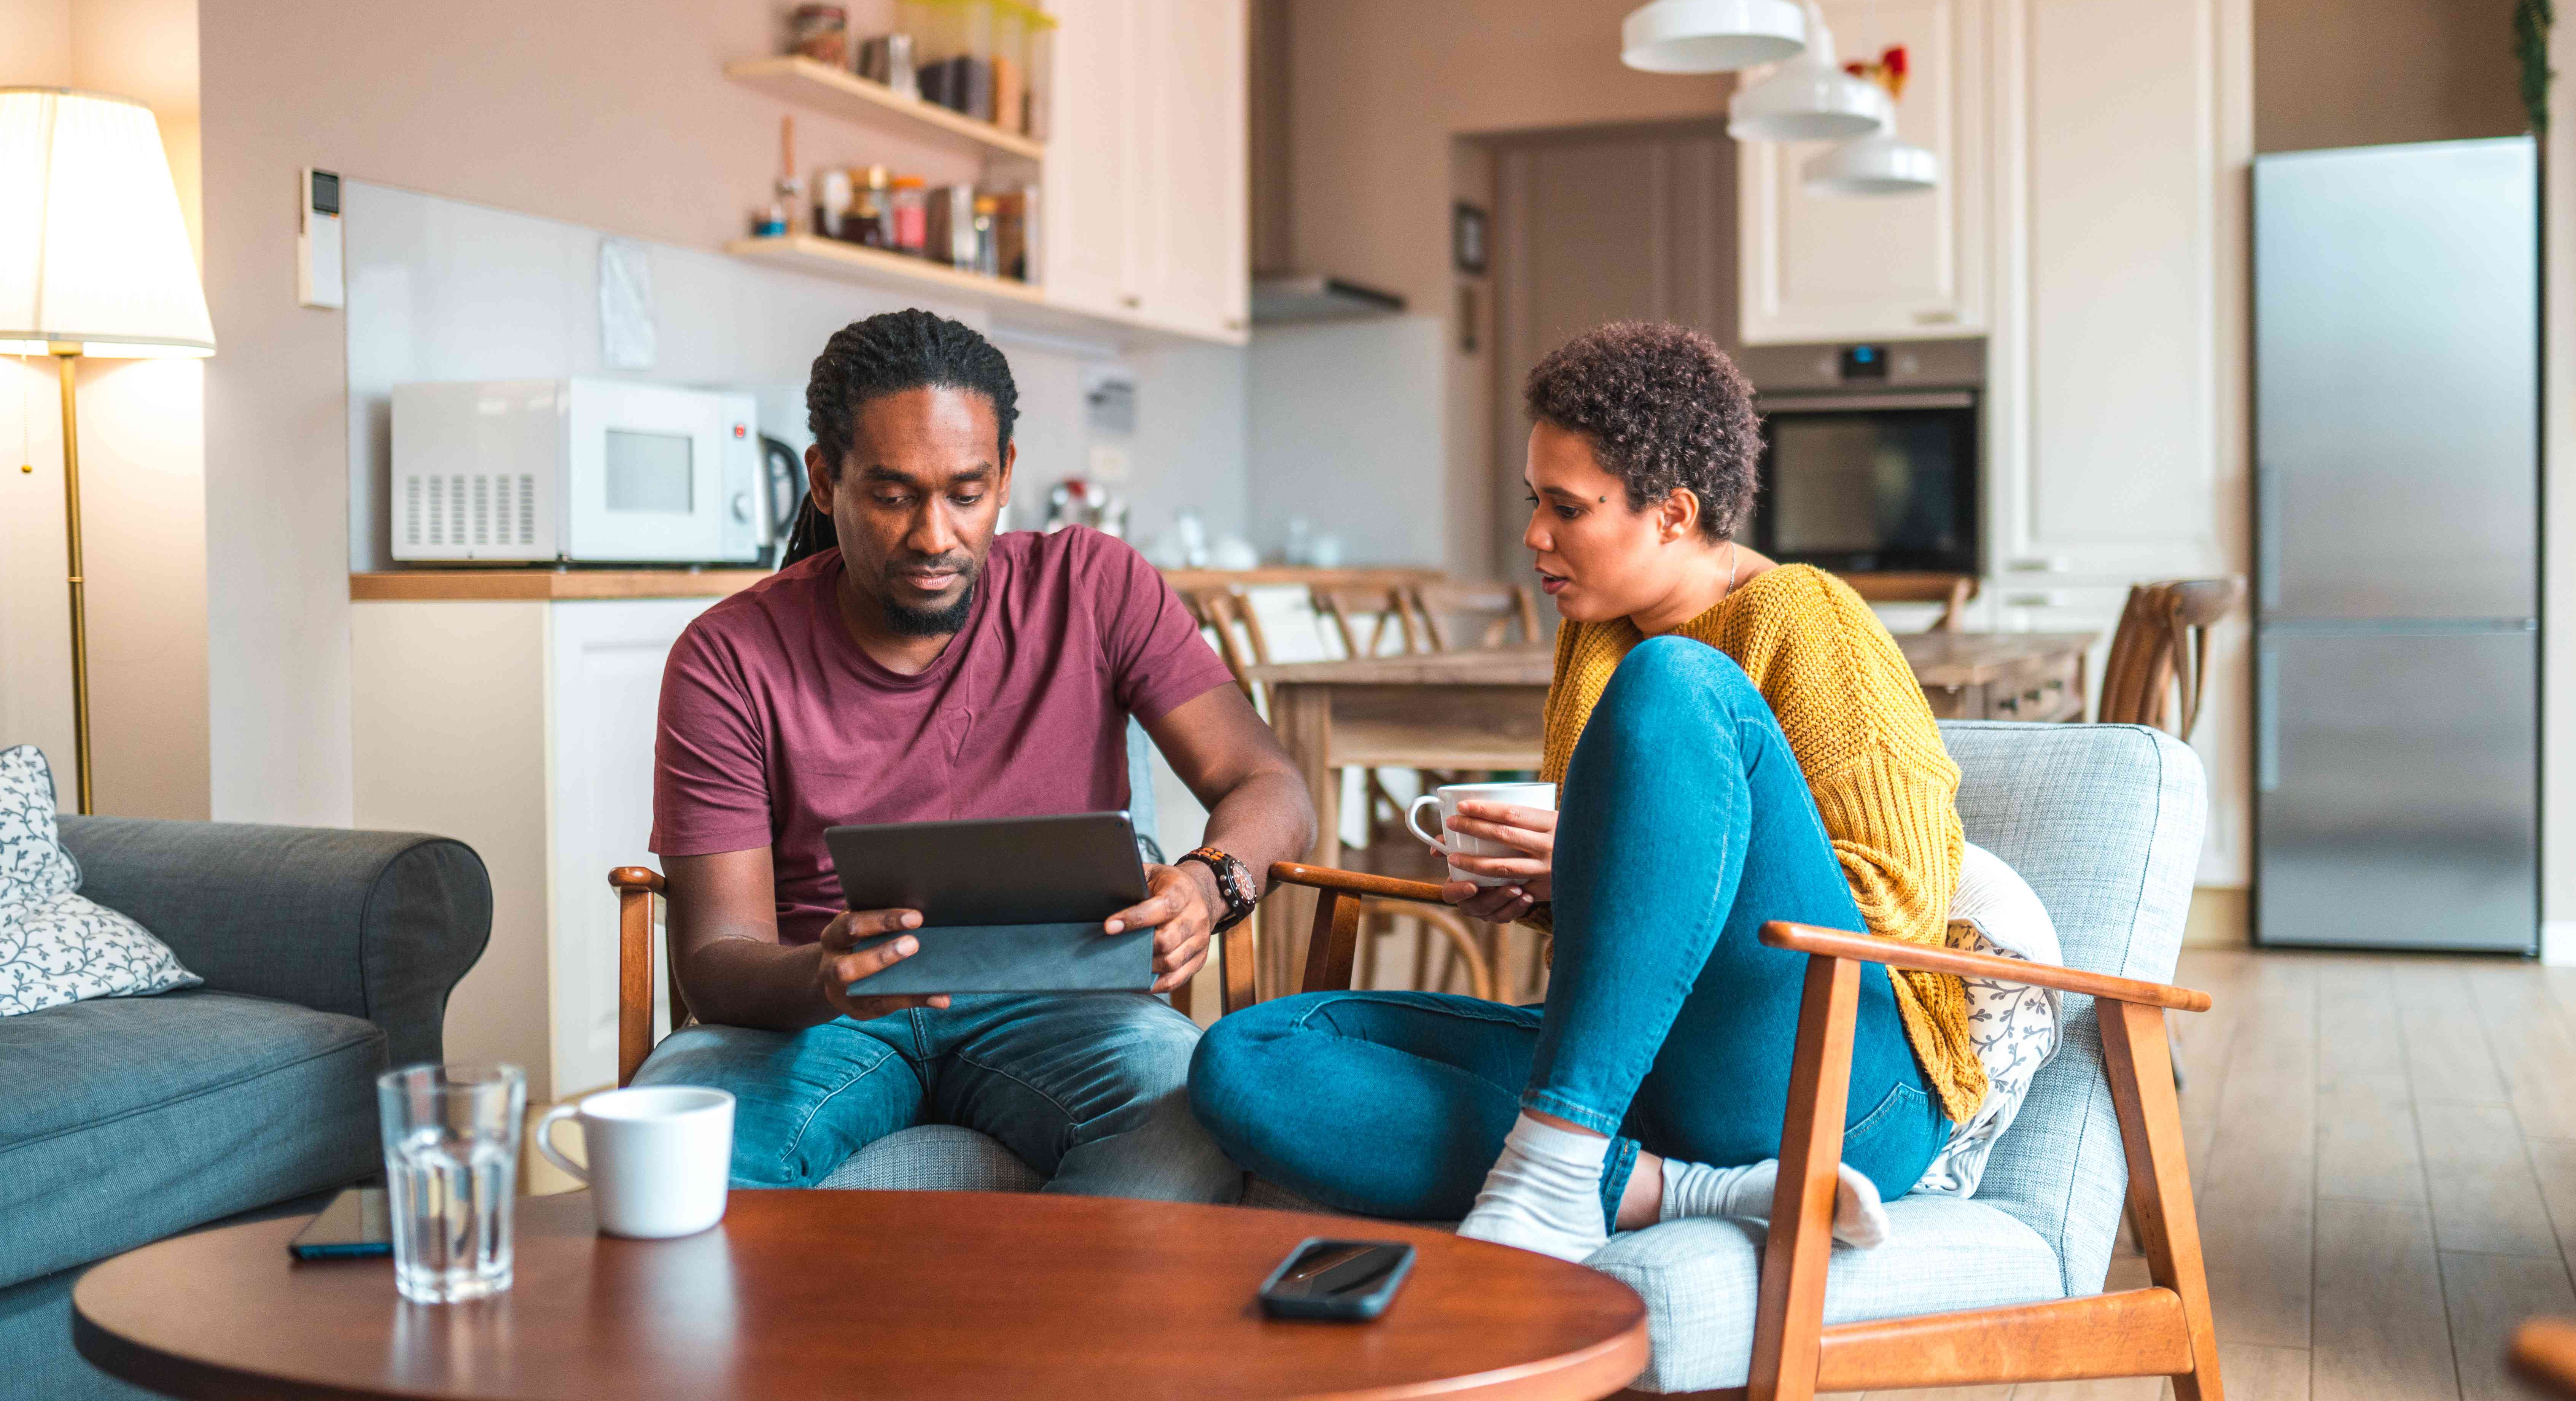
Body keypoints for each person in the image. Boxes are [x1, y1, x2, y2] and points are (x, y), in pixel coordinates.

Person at [1189, 320, 1981, 1264]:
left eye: (1567, 508)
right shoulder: (1599, 636)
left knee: (1676, 681)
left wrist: (1588, 867)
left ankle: (1559, 1158)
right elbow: (1629, 913)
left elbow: (1891, 911)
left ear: (1675, 513)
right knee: (1250, 1056)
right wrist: (1547, 891)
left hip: (1844, 1083)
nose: (1533, 536)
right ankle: (1666, 1185)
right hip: (1645, 1077)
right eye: (1535, 502)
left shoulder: (1807, 623)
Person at [636, 306, 1312, 1200]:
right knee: (676, 1150)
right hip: (814, 1020)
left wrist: (1207, 880)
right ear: (824, 480)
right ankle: (800, 1343)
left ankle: (1051, 1340)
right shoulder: (729, 656)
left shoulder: (1094, 587)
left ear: (1005, 477)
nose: (935, 535)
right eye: (891, 494)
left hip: (1069, 1008)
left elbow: (1270, 784)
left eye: (966, 491)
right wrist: (824, 973)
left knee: (1194, 1109)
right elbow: (718, 957)